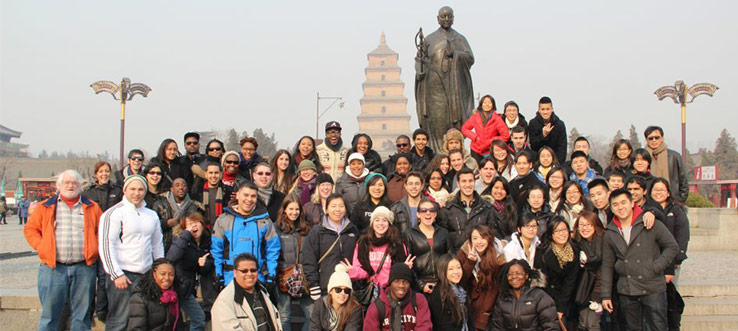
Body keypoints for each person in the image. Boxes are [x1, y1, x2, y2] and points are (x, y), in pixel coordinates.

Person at [24, 170, 103, 331]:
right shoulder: (45, 207)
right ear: (59, 186)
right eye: (66, 182)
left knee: (81, 316)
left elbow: (100, 231)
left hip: (84, 268)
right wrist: (42, 247)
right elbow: (31, 230)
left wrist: (93, 248)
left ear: (81, 185)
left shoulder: (92, 207)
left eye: (74, 182)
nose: (70, 185)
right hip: (53, 268)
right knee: (50, 315)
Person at [601, 189, 679, 331]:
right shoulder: (610, 232)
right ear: (611, 207)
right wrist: (605, 295)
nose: (620, 207)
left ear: (632, 203)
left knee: (657, 327)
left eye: (624, 202)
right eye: (615, 204)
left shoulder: (649, 221)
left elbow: (672, 247)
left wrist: (655, 267)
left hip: (652, 287)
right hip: (627, 289)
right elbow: (607, 265)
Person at [99, 174, 165, 331]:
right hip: (123, 276)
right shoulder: (113, 214)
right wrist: (116, 274)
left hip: (146, 276)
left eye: (141, 189)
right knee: (119, 320)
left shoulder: (151, 215)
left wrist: (160, 270)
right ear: (125, 190)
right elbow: (106, 245)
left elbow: (157, 244)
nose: (137, 193)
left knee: (144, 320)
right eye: (133, 189)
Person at [415, 5, 475, 152]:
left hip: (454, 87)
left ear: (453, 19)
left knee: (453, 120)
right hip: (434, 88)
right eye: (443, 17)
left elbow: (470, 58)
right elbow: (419, 60)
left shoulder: (459, 38)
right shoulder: (429, 39)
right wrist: (420, 71)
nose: (446, 19)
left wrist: (455, 53)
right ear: (437, 19)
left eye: (449, 17)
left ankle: (455, 152)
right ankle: (437, 153)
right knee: (436, 120)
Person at [211, 181, 280, 286]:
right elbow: (216, 249)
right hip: (230, 278)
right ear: (237, 195)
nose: (249, 199)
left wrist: (271, 275)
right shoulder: (223, 220)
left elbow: (273, 249)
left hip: (257, 278)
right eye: (246, 195)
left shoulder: (265, 221)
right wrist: (218, 274)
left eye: (253, 196)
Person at [343, 207, 410, 304]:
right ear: (372, 223)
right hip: (369, 291)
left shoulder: (397, 244)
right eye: (377, 220)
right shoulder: (363, 243)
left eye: (384, 220)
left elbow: (398, 272)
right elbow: (361, 269)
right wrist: (352, 272)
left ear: (389, 223)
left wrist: (404, 269)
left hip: (390, 293)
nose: (380, 224)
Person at [82, 161, 122, 322]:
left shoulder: (117, 191)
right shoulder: (88, 193)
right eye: (101, 171)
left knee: (106, 276)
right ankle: (89, 311)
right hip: (93, 239)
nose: (104, 174)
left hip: (111, 239)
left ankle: (103, 311)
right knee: (90, 278)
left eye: (107, 171)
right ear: (95, 174)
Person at [302, 194, 360, 300]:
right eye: (333, 206)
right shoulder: (317, 231)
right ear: (326, 209)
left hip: (347, 288)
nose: (337, 209)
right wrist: (313, 284)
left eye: (341, 206)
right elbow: (309, 259)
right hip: (325, 288)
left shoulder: (352, 230)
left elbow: (360, 257)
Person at [211, 253, 283, 331]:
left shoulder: (263, 292)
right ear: (235, 273)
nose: (249, 274)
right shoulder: (224, 302)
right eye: (244, 271)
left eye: (253, 270)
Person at [166, 212, 212, 331]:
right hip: (175, 288)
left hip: (187, 290)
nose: (193, 226)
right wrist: (185, 234)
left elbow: (206, 270)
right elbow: (171, 258)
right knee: (172, 322)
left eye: (196, 222)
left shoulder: (206, 241)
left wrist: (204, 264)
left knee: (199, 318)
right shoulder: (182, 239)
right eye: (190, 224)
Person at [534, 216, 581, 329]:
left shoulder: (574, 250)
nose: (562, 234)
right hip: (546, 298)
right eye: (557, 231)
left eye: (564, 230)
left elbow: (570, 282)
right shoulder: (543, 251)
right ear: (551, 234)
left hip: (565, 299)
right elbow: (540, 281)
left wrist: (560, 308)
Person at [274, 196, 313, 331]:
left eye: (297, 209)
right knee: (284, 316)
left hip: (303, 277)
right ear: (284, 210)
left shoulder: (306, 229)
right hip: (283, 278)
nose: (294, 212)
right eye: (291, 209)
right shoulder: (276, 228)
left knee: (312, 315)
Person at [491, 259, 559, 331]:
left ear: (526, 275)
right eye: (510, 274)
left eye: (518, 273)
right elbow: (497, 327)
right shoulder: (503, 298)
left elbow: (551, 327)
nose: (514, 277)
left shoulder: (540, 297)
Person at [458, 225, 504, 331]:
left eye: (483, 238)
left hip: (489, 309)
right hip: (469, 306)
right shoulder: (464, 253)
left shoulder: (498, 257)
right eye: (475, 238)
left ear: (489, 239)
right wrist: (470, 263)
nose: (479, 242)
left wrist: (483, 317)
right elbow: (461, 282)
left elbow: (494, 289)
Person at [440, 168, 497, 252]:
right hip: (456, 258)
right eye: (464, 181)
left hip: (481, 256)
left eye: (470, 181)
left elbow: (492, 234)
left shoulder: (486, 208)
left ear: (474, 182)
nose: (468, 185)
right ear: (458, 184)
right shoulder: (448, 210)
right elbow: (444, 239)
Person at [363, 263, 432, 331]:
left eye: (405, 281)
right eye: (396, 281)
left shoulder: (419, 300)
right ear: (390, 283)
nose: (401, 285)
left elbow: (424, 326)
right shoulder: (377, 307)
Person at [404, 198, 452, 294]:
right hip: (420, 284)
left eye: (432, 210)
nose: (428, 213)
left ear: (435, 214)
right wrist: (421, 285)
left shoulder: (443, 232)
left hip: (442, 283)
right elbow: (409, 263)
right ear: (418, 214)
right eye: (424, 210)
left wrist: (446, 281)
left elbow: (450, 258)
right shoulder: (409, 234)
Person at [648, 178, 689, 285]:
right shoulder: (646, 210)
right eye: (655, 190)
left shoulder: (676, 210)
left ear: (668, 193)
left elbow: (683, 235)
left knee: (671, 293)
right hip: (652, 260)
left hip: (672, 259)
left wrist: (678, 258)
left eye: (662, 190)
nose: (658, 193)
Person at [127, 258, 182, 331]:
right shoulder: (140, 298)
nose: (167, 278)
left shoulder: (173, 296)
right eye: (163, 274)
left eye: (171, 275)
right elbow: (136, 328)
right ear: (154, 274)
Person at [572, 211, 605, 331]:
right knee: (583, 324)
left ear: (596, 225)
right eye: (581, 225)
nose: (584, 228)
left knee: (593, 324)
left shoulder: (604, 240)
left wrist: (597, 297)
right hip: (583, 289)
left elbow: (604, 270)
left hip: (601, 290)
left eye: (589, 225)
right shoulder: (576, 243)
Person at [309, 265, 363, 331]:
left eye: (347, 290)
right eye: (338, 289)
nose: (342, 293)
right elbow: (314, 328)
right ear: (330, 291)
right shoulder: (320, 304)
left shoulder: (355, 309)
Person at [153, 177, 200, 252]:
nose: (181, 188)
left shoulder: (194, 207)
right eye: (177, 185)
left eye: (183, 185)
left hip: (187, 248)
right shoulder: (160, 204)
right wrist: (166, 223)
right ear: (172, 189)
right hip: (165, 247)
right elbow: (152, 226)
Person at [644, 126, 689, 203]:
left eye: (657, 137)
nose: (654, 140)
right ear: (646, 140)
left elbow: (683, 181)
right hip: (648, 202)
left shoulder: (674, 156)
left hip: (671, 201)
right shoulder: (643, 157)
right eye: (651, 138)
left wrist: (679, 201)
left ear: (662, 138)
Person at [462, 94, 510, 163]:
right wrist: (475, 137)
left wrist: (491, 141)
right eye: (485, 103)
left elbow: (506, 135)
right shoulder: (476, 117)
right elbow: (464, 128)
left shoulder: (497, 119)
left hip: (490, 150)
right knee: (476, 171)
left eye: (489, 103)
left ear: (493, 105)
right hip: (476, 149)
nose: (487, 105)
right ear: (481, 105)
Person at [428, 254, 468, 331]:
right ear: (443, 271)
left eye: (458, 268)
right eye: (451, 269)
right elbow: (443, 325)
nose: (456, 272)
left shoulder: (461, 291)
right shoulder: (438, 294)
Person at [191, 162, 233, 228]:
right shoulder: (198, 191)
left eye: (216, 173)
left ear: (220, 174)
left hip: (222, 228)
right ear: (206, 174)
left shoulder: (228, 191)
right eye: (210, 173)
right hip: (204, 230)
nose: (213, 176)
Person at [528, 96, 567, 163]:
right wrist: (543, 135)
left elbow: (562, 148)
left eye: (547, 109)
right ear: (539, 110)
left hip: (556, 162)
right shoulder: (533, 123)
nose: (545, 112)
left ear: (552, 109)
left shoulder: (559, 125)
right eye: (543, 109)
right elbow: (533, 146)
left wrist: (557, 165)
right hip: (538, 162)